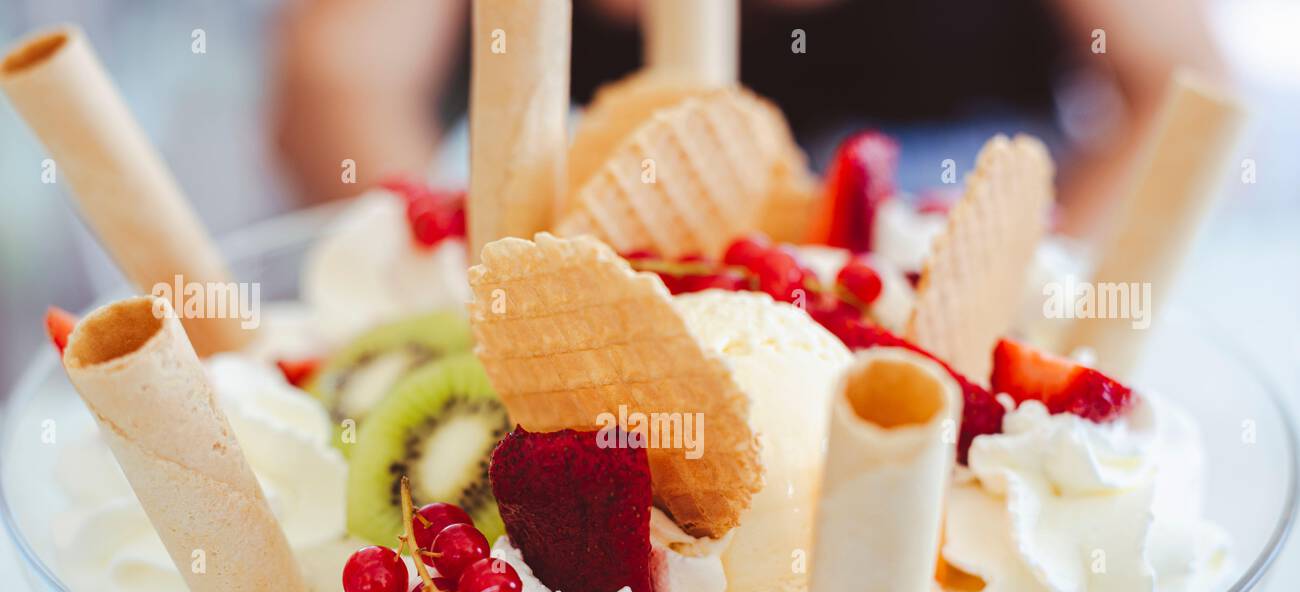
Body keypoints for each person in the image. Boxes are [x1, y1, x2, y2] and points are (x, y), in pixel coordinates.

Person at [271, 0, 1229, 236]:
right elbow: (334, 80)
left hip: (952, 222)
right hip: (590, 247)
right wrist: (457, 262)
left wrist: (1036, 285)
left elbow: (1179, 90)